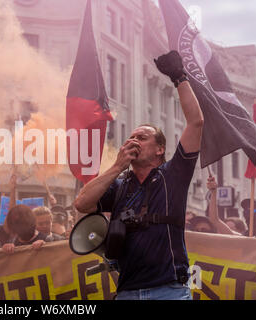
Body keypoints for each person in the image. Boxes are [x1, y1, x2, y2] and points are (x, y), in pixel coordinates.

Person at [74, 51, 203, 300]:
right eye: (131, 138)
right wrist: (115, 167)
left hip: (169, 291)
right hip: (127, 291)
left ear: (159, 149)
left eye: (142, 138)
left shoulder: (172, 175)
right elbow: (82, 203)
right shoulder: (120, 185)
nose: (134, 141)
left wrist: (179, 77)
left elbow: (196, 122)